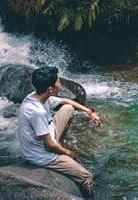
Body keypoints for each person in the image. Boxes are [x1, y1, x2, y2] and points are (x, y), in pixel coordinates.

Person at [18, 66, 100, 198]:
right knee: (86, 177)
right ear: (50, 89)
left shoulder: (36, 96)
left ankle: (60, 146)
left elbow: (66, 101)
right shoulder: (36, 111)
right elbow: (49, 145)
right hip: (42, 155)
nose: (60, 85)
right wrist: (68, 153)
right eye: (58, 82)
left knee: (68, 108)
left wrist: (89, 112)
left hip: (48, 137)